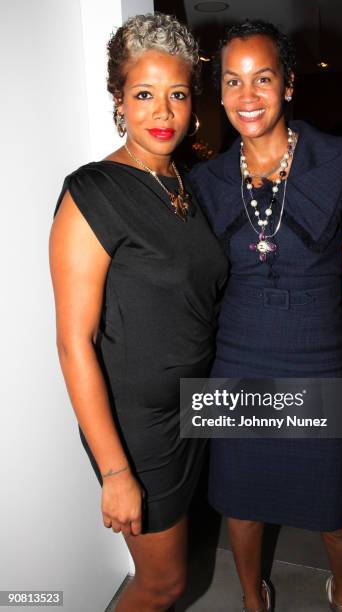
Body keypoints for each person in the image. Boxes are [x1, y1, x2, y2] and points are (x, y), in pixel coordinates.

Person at [190, 20, 342, 612]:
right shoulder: (205, 181)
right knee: (241, 505)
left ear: (289, 84)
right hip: (239, 360)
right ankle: (254, 598)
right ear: (219, 93)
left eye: (263, 78)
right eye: (232, 81)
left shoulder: (339, 161)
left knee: (337, 512)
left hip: (319, 357)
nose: (247, 96)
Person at [49, 13, 227, 612]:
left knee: (172, 571)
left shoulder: (185, 183)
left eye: (176, 94)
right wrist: (115, 471)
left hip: (190, 410)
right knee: (164, 585)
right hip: (136, 428)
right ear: (119, 101)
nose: (163, 111)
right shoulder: (93, 191)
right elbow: (75, 341)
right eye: (144, 94)